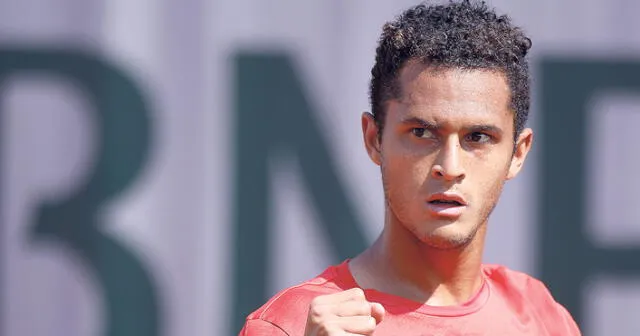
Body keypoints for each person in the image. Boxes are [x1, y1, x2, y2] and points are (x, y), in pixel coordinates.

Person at [239, 1, 581, 335]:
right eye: (421, 133)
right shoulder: (287, 327)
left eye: (477, 137)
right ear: (374, 139)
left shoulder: (543, 317)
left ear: (517, 153)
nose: (450, 167)